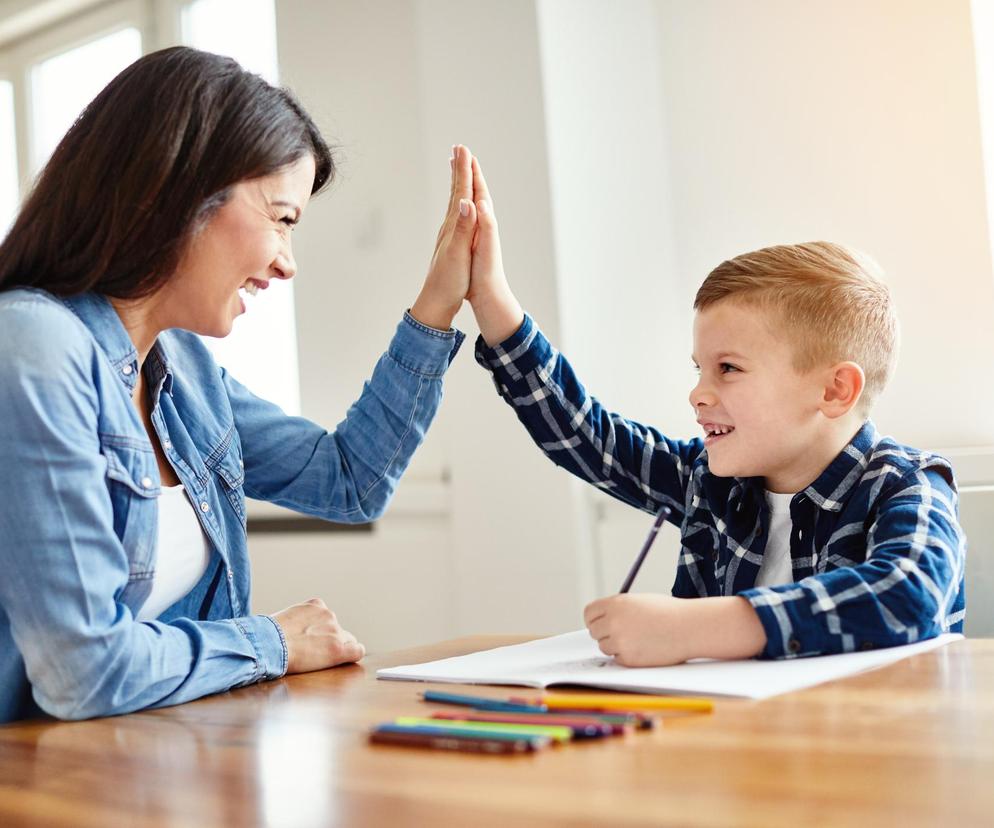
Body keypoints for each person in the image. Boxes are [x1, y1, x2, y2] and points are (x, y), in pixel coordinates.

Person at [0, 46, 480, 722]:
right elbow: (83, 671)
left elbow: (351, 482)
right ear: (179, 188)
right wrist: (273, 641)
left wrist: (438, 303)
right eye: (283, 219)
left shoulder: (184, 370)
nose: (287, 264)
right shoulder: (33, 348)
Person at [463, 157, 966, 666]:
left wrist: (696, 628)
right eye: (698, 369)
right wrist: (491, 301)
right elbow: (588, 437)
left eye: (728, 368)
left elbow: (910, 594)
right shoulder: (709, 479)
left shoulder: (905, 486)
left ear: (834, 390)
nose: (697, 394)